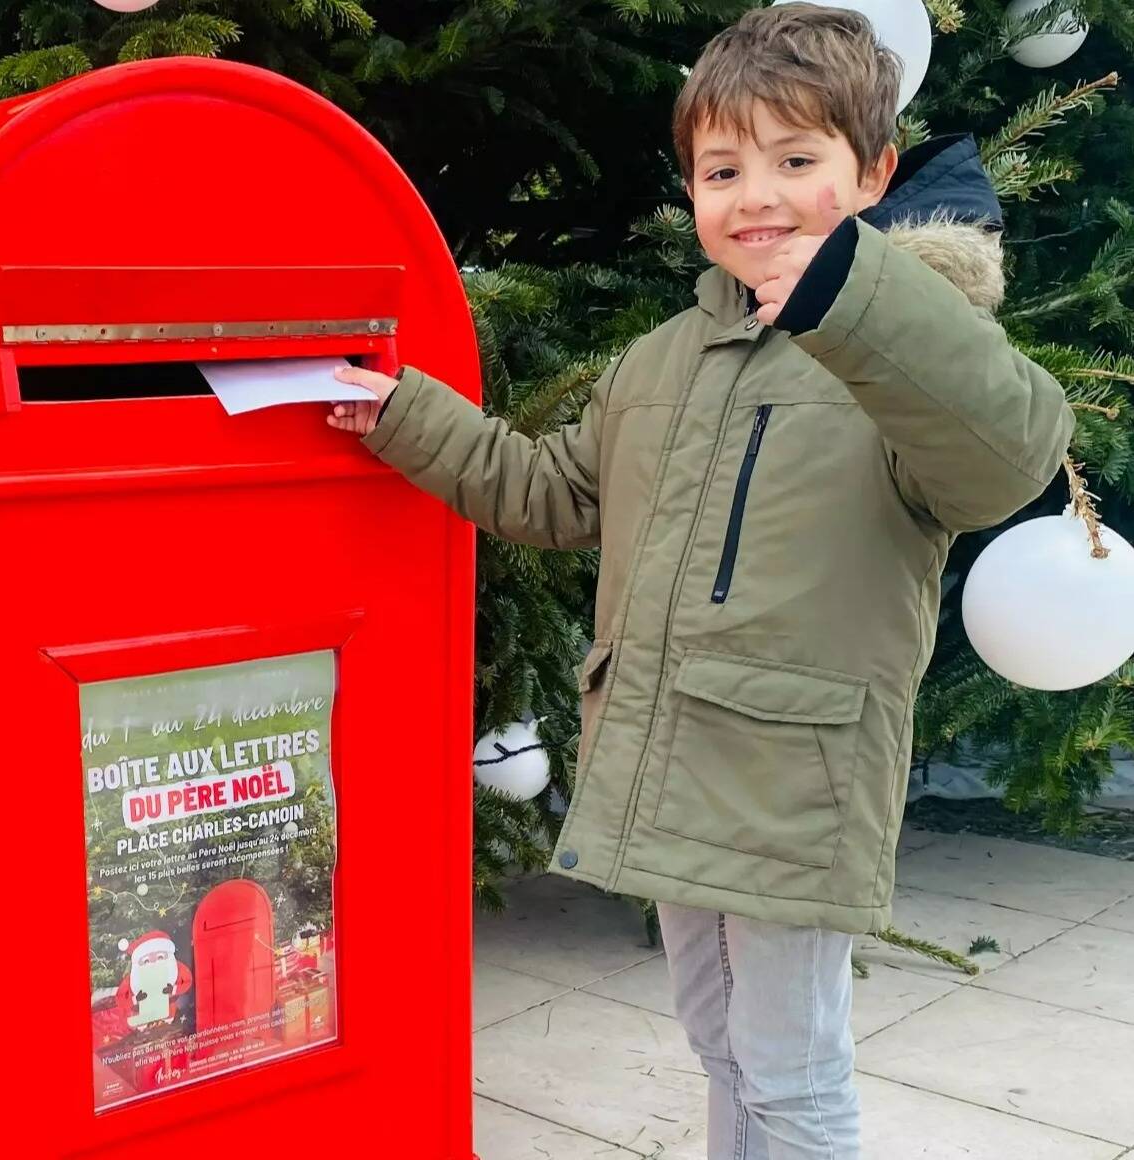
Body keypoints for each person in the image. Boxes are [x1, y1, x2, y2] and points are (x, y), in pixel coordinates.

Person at [327, 6, 1073, 1156]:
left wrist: (848, 297)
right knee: (717, 1042)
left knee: (790, 1075)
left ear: (871, 174)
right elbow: (551, 492)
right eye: (721, 169)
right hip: (668, 756)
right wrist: (395, 410)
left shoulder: (910, 354)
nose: (755, 196)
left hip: (796, 780)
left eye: (795, 160)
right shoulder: (664, 358)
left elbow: (1008, 454)